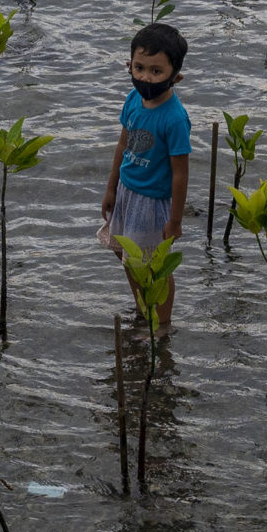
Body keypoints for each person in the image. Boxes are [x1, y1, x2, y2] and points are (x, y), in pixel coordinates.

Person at [99, 21, 191, 325]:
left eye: (156, 71)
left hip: (153, 204)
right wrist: (111, 188)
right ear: (129, 65)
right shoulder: (132, 101)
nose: (145, 77)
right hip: (127, 192)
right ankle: (143, 310)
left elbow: (180, 174)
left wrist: (175, 220)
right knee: (129, 259)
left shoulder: (174, 119)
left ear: (175, 77)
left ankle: (160, 325)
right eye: (139, 68)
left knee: (155, 268)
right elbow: (123, 144)